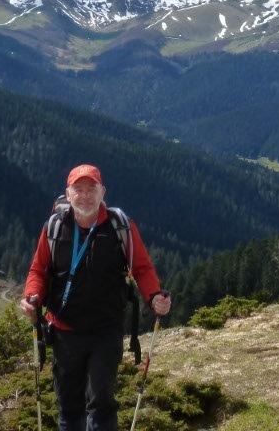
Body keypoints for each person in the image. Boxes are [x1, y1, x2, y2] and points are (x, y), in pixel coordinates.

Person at [20, 163, 171, 431]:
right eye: (78, 189)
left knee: (101, 402)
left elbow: (142, 268)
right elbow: (38, 271)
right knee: (69, 405)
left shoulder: (120, 227)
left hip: (106, 331)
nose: (85, 196)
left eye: (92, 189)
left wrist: (154, 296)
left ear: (103, 193)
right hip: (65, 331)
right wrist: (32, 296)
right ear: (68, 194)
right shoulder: (54, 228)